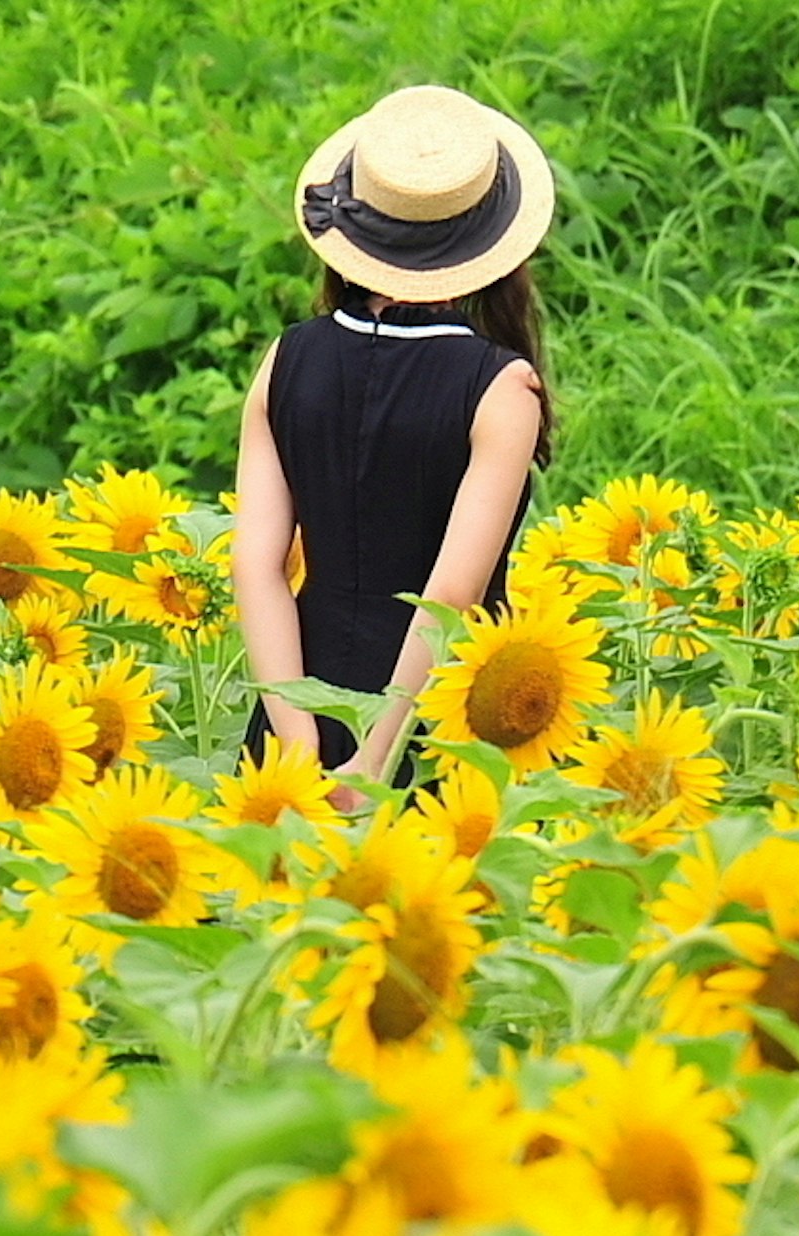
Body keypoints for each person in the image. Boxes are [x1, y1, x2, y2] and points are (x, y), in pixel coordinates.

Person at [232, 85, 558, 804]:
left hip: (297, 702)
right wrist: (375, 758)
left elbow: (255, 567)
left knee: (273, 911)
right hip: (435, 716)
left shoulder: (286, 360)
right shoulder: (500, 388)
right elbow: (450, 596)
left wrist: (297, 738)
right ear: (491, 241)